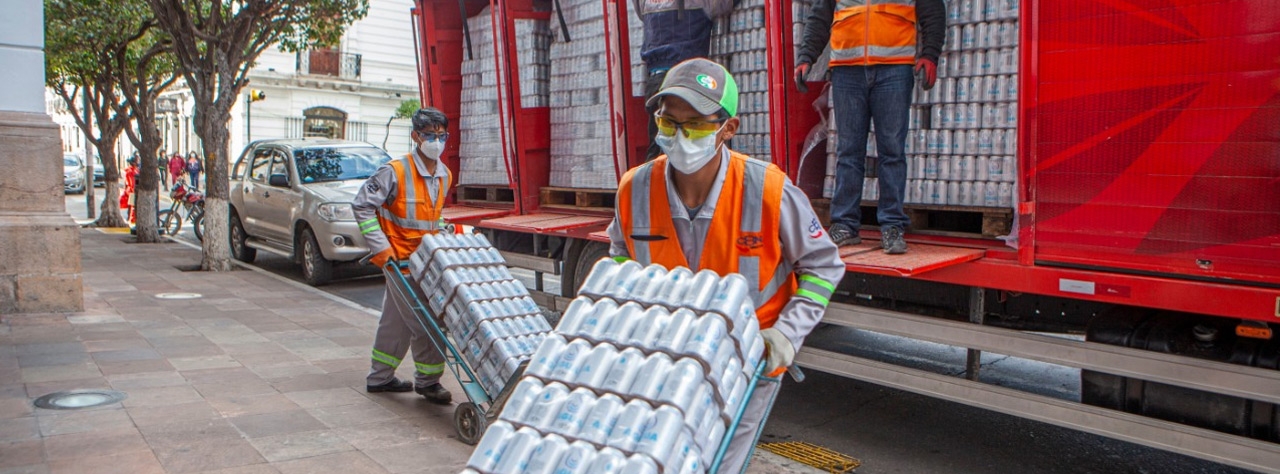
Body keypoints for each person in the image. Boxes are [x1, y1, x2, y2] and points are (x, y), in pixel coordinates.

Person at [606, 58, 846, 471]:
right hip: (668, 358)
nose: (680, 137)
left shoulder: (768, 189)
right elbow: (620, 261)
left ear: (727, 129)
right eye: (669, 124)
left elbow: (823, 265)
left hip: (747, 362)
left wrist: (786, 335)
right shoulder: (635, 189)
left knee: (716, 463)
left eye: (696, 125)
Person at [795, 0, 946, 254]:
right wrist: (806, 55)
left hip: (894, 68)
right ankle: (844, 225)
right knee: (849, 151)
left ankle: (892, 226)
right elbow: (820, 15)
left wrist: (930, 53)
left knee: (892, 150)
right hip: (847, 70)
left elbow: (931, 8)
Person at [352, 107, 454, 403]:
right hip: (399, 262)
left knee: (394, 322)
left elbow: (432, 219)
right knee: (426, 323)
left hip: (426, 263)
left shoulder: (445, 174)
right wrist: (381, 249)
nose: (436, 141)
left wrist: (447, 234)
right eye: (429, 135)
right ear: (415, 136)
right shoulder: (394, 171)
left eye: (441, 135)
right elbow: (362, 206)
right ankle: (428, 382)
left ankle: (380, 377)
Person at [635, 0, 735, 160]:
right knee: (686, 145)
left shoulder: (647, 3)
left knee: (659, 144)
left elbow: (640, 13)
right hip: (687, 81)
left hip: (656, 79)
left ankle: (653, 179)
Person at [122, 156, 139, 226]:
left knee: (131, 205)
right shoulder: (130, 171)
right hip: (132, 190)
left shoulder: (135, 170)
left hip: (132, 189)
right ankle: (130, 218)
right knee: (132, 205)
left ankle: (130, 218)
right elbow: (131, 182)